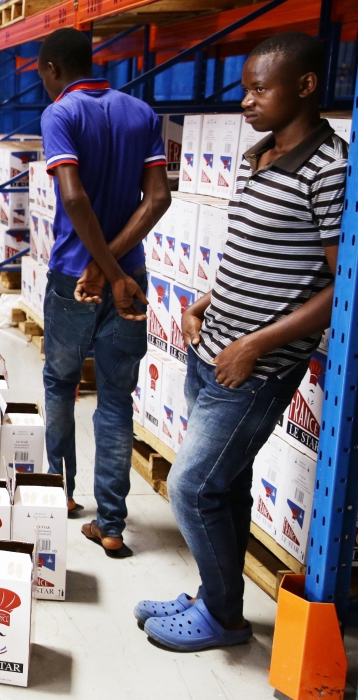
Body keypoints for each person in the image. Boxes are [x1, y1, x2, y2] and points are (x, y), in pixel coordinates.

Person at [137, 32, 345, 652]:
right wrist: (209, 299)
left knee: (192, 486)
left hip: (252, 368)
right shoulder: (261, 155)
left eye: (260, 89)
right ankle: (214, 598)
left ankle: (224, 619)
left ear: (305, 87)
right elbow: (258, 252)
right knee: (226, 487)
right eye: (245, 88)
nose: (246, 101)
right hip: (213, 349)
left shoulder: (329, 171)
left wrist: (254, 345)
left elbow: (343, 285)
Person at [36, 28, 172, 557]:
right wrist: (118, 272)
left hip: (76, 277)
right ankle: (112, 524)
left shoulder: (61, 115)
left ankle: (60, 495)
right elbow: (157, 198)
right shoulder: (141, 113)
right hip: (130, 282)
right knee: (116, 400)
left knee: (60, 382)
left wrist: (99, 268)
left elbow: (73, 196)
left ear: (51, 69)